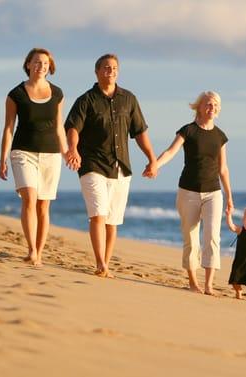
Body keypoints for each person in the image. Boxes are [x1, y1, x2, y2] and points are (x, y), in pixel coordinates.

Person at [64, 53, 158, 278]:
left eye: (114, 68)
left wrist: (152, 159)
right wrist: (73, 149)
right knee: (98, 213)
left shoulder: (129, 99)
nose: (111, 71)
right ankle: (100, 264)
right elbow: (73, 128)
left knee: (112, 220)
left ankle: (106, 262)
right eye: (106, 67)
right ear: (97, 72)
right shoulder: (86, 100)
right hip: (92, 164)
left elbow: (140, 133)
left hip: (120, 167)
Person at [155, 91, 233, 295]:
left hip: (213, 192)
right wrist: (156, 164)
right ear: (198, 107)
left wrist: (230, 197)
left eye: (215, 105)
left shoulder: (220, 136)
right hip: (188, 191)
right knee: (191, 238)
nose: (211, 108)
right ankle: (193, 282)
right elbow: (171, 152)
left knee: (212, 237)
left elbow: (223, 168)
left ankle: (208, 284)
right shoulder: (188, 131)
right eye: (208, 104)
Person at [0, 47, 67, 266]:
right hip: (23, 152)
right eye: (37, 62)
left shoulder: (57, 93)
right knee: (29, 198)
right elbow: (8, 128)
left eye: (45, 63)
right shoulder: (16, 94)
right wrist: (3, 159)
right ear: (28, 65)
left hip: (51, 154)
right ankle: (31, 251)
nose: (41, 66)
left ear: (50, 67)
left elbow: (59, 128)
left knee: (43, 207)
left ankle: (39, 250)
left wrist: (67, 153)